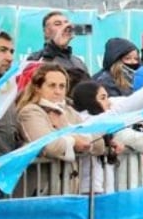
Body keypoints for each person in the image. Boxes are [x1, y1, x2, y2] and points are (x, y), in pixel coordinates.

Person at [15, 62, 105, 196]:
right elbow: (50, 146)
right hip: (41, 194)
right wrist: (76, 140)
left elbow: (99, 144)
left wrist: (65, 128)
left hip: (69, 192)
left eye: (62, 86)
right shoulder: (30, 111)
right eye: (52, 86)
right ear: (38, 88)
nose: (58, 91)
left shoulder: (69, 111)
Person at [27, 10, 90, 90]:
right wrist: (54, 46)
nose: (64, 27)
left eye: (66, 23)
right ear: (46, 32)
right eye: (58, 24)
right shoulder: (36, 58)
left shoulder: (78, 62)